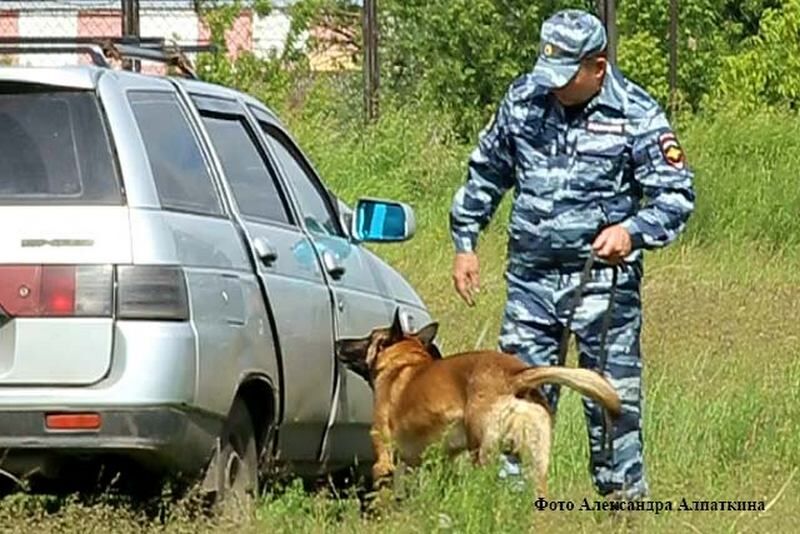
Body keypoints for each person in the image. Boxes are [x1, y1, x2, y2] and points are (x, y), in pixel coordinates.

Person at [449, 9, 695, 500]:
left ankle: (621, 509)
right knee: (516, 400)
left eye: (566, 77)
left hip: (603, 287)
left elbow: (676, 196)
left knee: (611, 404)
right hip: (530, 285)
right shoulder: (524, 100)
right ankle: (514, 510)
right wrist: (466, 242)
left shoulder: (637, 113)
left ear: (598, 67)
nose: (554, 87)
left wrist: (631, 231)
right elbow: (486, 173)